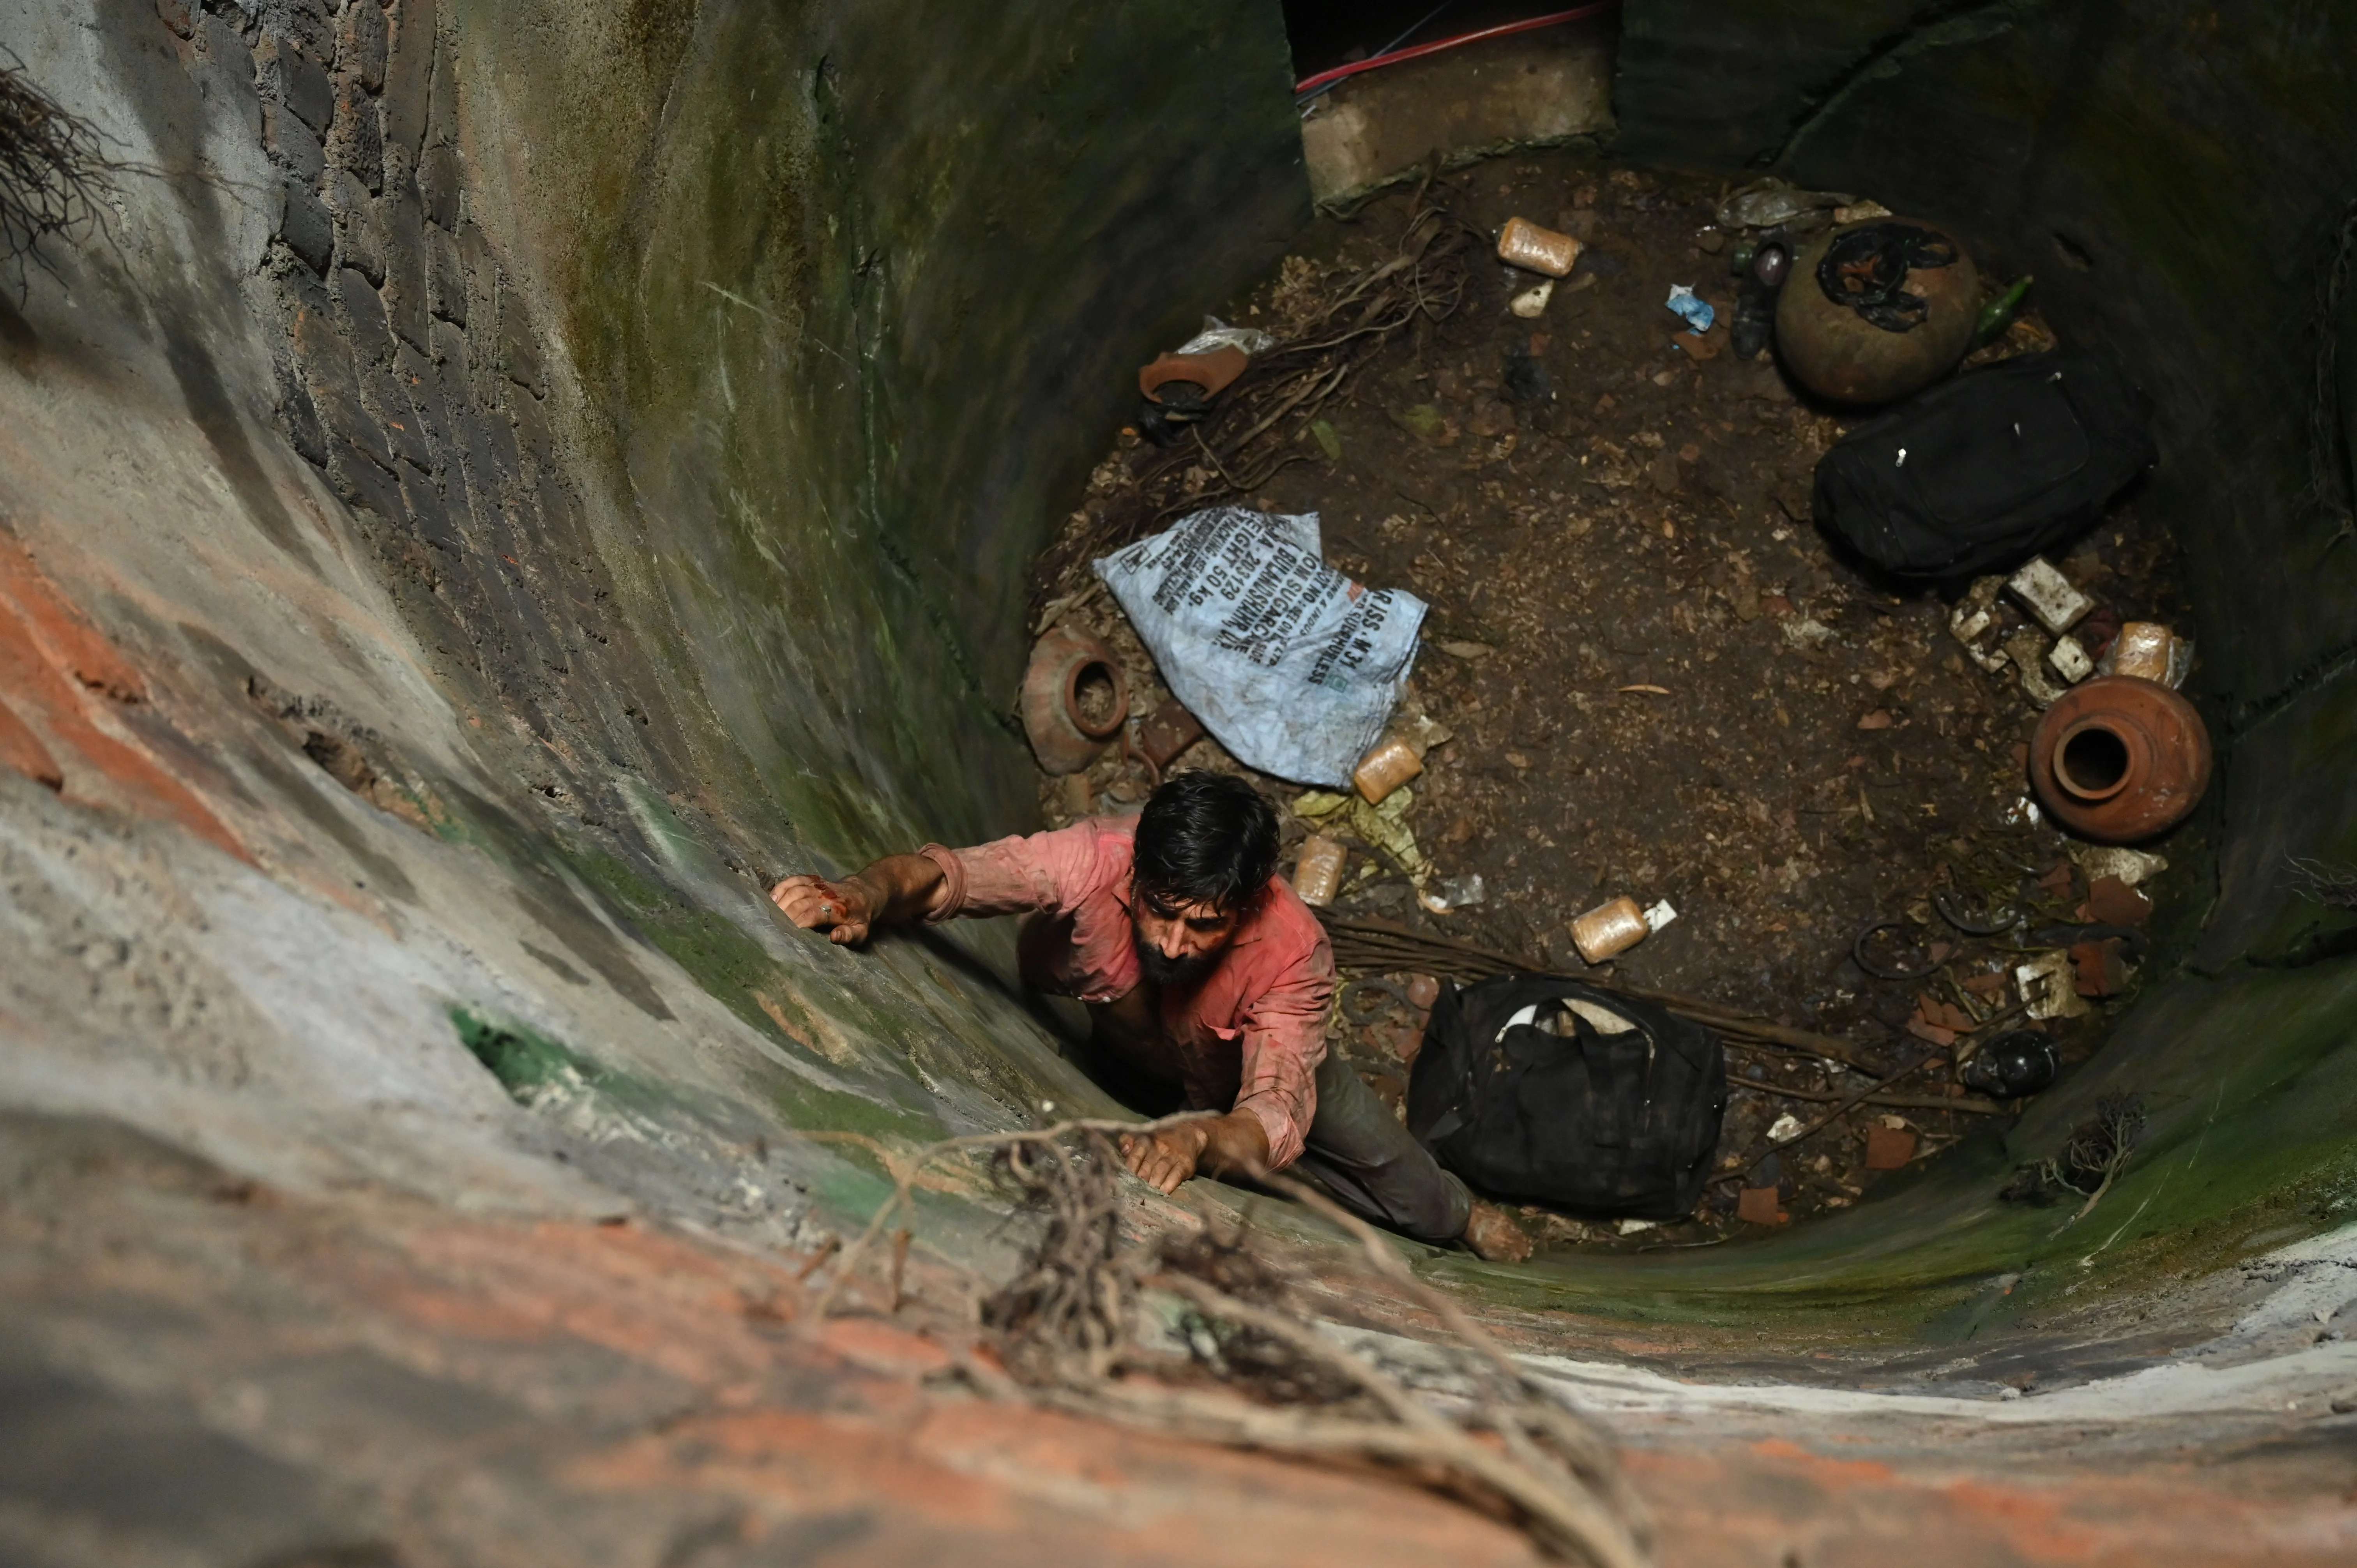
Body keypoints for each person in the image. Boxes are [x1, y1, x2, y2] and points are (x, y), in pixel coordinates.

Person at [769, 772, 1532, 1261]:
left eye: (1204, 926)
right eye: (1160, 911)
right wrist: (864, 892)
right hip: (1134, 1045)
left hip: (1260, 1075)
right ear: (1137, 870)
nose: (1172, 942)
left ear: (1249, 903)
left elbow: (1273, 1109)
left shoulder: (1292, 949)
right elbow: (950, 874)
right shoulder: (1098, 855)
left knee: (1384, 1160)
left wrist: (1201, 1136)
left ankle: (1459, 1215)